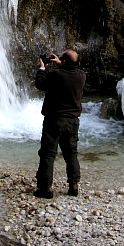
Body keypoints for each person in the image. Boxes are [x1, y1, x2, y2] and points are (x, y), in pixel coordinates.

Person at [34, 49, 86, 199]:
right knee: (71, 153)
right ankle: (73, 185)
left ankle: (45, 188)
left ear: (63, 62)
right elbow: (70, 71)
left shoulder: (56, 75)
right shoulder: (81, 76)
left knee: (48, 154)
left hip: (54, 120)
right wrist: (60, 63)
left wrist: (42, 68)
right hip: (72, 121)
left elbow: (40, 83)